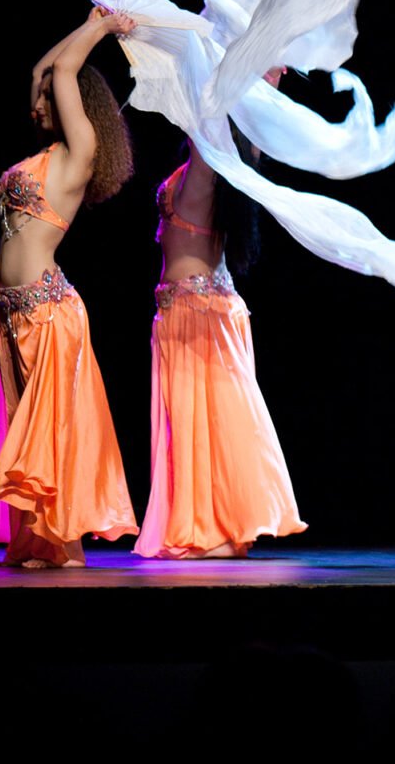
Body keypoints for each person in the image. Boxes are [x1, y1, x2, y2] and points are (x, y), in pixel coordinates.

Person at [0, 8, 140, 567]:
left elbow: (62, 68)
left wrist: (101, 28)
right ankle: (36, 540)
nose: (37, 102)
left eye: (49, 98)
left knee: (50, 432)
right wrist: (87, 17)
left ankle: (66, 545)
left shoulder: (76, 155)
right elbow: (44, 67)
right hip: (10, 313)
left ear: (78, 105)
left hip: (48, 314)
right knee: (23, 425)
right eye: (38, 99)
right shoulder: (38, 159)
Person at [133, 67, 307, 558]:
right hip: (186, 310)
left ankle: (222, 528)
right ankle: (214, 526)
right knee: (194, 420)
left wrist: (260, 78)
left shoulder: (209, 165)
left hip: (200, 311)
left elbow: (216, 114)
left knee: (216, 417)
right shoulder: (203, 170)